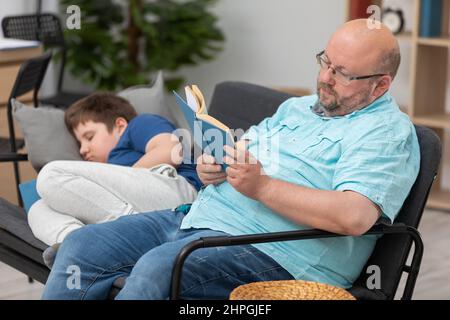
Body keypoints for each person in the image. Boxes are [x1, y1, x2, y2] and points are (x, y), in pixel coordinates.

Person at [42, 19, 420, 300]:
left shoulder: (386, 133)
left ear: (380, 84)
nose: (325, 78)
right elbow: (244, 156)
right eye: (325, 62)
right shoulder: (299, 107)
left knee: (158, 270)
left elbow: (354, 217)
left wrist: (263, 187)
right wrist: (216, 170)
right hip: (198, 220)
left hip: (275, 251)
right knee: (82, 247)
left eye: (343, 73)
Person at [27, 93, 201, 265]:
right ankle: (80, 247)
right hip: (141, 206)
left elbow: (171, 150)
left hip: (176, 192)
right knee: (38, 208)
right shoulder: (107, 167)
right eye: (79, 143)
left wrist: (125, 176)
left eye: (89, 137)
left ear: (119, 125)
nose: (82, 150)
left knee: (51, 174)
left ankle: (132, 233)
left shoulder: (139, 124)